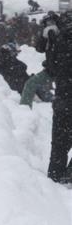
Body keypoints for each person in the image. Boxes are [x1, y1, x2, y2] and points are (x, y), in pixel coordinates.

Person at [38, 11, 72, 183]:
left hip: (63, 99)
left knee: (59, 144)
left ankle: (55, 179)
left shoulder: (58, 42)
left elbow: (51, 69)